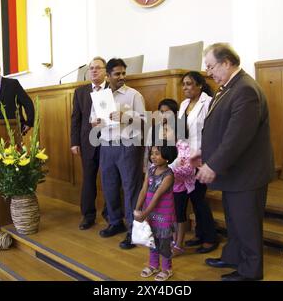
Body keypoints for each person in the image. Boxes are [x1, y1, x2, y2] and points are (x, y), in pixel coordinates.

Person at [193, 43, 275, 281]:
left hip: (247, 173)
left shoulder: (245, 89)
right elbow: (220, 129)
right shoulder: (229, 88)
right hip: (234, 173)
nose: (208, 72)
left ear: (227, 62)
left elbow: (237, 137)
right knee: (234, 220)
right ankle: (232, 256)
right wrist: (203, 155)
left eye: (211, 66)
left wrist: (213, 165)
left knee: (247, 223)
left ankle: (251, 270)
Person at [92, 58, 146, 249]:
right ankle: (115, 222)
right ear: (108, 76)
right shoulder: (100, 96)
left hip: (128, 146)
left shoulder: (134, 95)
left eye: (124, 73)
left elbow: (145, 121)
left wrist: (125, 117)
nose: (122, 77)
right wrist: (95, 121)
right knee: (109, 186)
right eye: (117, 74)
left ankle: (134, 231)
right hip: (107, 145)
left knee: (131, 188)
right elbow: (94, 120)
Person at [173, 71, 218, 255]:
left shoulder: (208, 103)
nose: (185, 87)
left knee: (199, 199)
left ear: (199, 85)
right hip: (184, 158)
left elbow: (212, 132)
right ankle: (200, 234)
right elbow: (180, 132)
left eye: (189, 84)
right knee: (192, 199)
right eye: (183, 84)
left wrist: (202, 155)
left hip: (200, 158)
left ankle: (210, 238)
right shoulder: (183, 104)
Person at [71, 57, 109, 230]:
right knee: (88, 179)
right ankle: (88, 215)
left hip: (109, 140)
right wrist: (74, 142)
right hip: (87, 142)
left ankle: (110, 214)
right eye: (91, 68)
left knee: (110, 179)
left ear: (105, 71)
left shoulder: (113, 89)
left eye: (98, 68)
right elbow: (76, 119)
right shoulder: (80, 92)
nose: (94, 71)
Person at [134, 144, 178, 281]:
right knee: (152, 239)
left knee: (164, 242)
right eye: (152, 153)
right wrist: (137, 209)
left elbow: (157, 196)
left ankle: (167, 269)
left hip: (164, 215)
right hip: (150, 213)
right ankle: (153, 265)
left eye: (157, 153)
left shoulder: (169, 175)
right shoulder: (150, 171)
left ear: (167, 157)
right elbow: (143, 190)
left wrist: (144, 213)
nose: (153, 156)